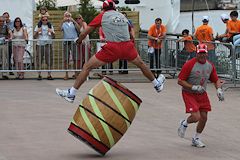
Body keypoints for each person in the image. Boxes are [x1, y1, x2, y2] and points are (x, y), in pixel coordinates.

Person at [56, 0, 166, 103]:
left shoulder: (102, 15)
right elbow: (131, 34)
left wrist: (79, 41)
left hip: (112, 47)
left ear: (103, 9)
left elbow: (85, 32)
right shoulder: (123, 16)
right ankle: (156, 84)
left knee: (87, 67)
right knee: (142, 64)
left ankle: (72, 93)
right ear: (114, 7)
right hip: (128, 46)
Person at [177, 44, 224, 148]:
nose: (202, 55)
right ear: (196, 53)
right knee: (196, 117)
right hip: (189, 93)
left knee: (204, 117)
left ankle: (196, 138)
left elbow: (215, 79)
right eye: (200, 53)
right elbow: (180, 81)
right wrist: (193, 87)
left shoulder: (210, 65)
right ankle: (184, 123)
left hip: (202, 93)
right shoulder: (189, 64)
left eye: (204, 53)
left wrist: (219, 89)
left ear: (207, 54)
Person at [34, 15, 55, 80]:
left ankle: (49, 74)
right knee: (39, 59)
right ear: (41, 20)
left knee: (49, 59)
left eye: (46, 20)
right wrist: (37, 31)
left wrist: (52, 32)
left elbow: (54, 37)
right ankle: (39, 74)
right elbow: (34, 36)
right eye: (43, 20)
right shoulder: (38, 26)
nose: (45, 21)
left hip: (48, 44)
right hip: (40, 44)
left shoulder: (50, 26)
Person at [61, 11, 80, 80]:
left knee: (75, 58)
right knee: (66, 59)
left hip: (74, 42)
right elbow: (59, 29)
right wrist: (62, 21)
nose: (67, 17)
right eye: (66, 16)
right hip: (66, 42)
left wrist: (74, 21)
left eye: (69, 16)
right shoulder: (63, 23)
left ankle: (76, 74)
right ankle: (66, 74)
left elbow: (79, 29)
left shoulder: (73, 23)